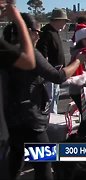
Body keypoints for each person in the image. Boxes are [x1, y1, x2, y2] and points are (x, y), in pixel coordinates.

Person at [3, 13, 85, 180]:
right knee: (44, 163)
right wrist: (77, 61)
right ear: (27, 32)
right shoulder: (29, 53)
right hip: (31, 121)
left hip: (11, 118)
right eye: (37, 32)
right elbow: (58, 77)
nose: (39, 36)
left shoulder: (7, 51)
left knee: (15, 159)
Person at [0, 1, 35, 179]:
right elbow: (30, 62)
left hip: (11, 117)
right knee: (43, 157)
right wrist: (20, 21)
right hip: (29, 117)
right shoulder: (28, 52)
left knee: (16, 153)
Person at [36, 8, 70, 114]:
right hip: (49, 74)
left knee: (54, 97)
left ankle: (52, 119)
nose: (65, 23)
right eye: (64, 20)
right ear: (57, 20)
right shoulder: (46, 32)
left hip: (56, 73)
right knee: (50, 100)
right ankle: (51, 124)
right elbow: (43, 55)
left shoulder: (54, 32)